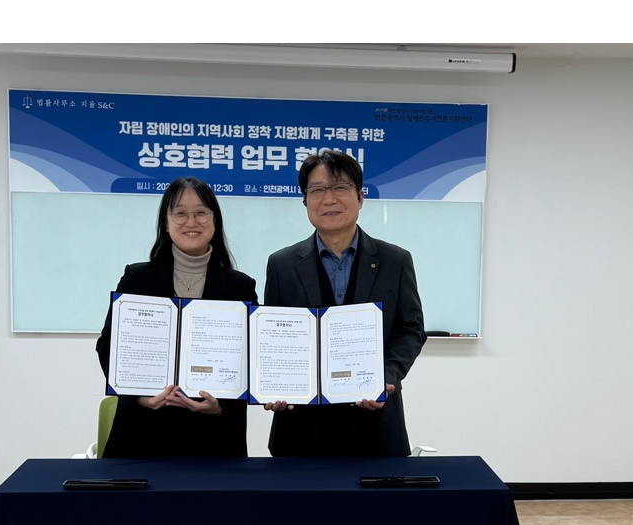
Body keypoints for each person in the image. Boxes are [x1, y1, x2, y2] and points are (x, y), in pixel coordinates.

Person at [263, 150, 426, 457]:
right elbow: (273, 339)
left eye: (339, 187)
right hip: (301, 429)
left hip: (376, 426)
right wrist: (274, 385)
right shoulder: (281, 264)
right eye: (317, 190)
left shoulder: (395, 260)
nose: (329, 199)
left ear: (360, 197)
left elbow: (410, 330)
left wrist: (386, 377)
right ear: (305, 201)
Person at [96, 177, 258, 457]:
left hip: (214, 440)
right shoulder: (137, 278)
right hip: (142, 436)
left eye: (201, 213)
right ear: (166, 222)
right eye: (180, 213)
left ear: (215, 221)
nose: (191, 222)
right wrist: (141, 397)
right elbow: (108, 346)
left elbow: (251, 360)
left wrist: (220, 406)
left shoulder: (240, 287)